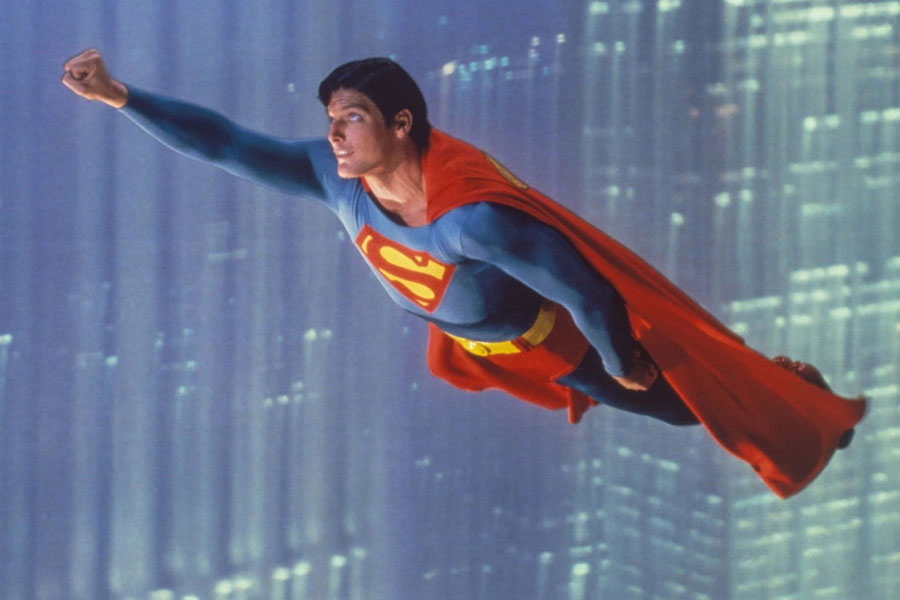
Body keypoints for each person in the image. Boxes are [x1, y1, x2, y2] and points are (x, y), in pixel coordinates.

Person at [62, 48, 866, 498]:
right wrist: (123, 97)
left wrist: (619, 360)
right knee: (668, 404)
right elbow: (226, 143)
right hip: (480, 338)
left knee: (684, 407)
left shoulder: (471, 218)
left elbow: (586, 288)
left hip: (554, 340)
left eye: (352, 118)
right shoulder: (336, 183)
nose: (335, 134)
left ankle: (795, 399)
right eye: (331, 119)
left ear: (400, 123)